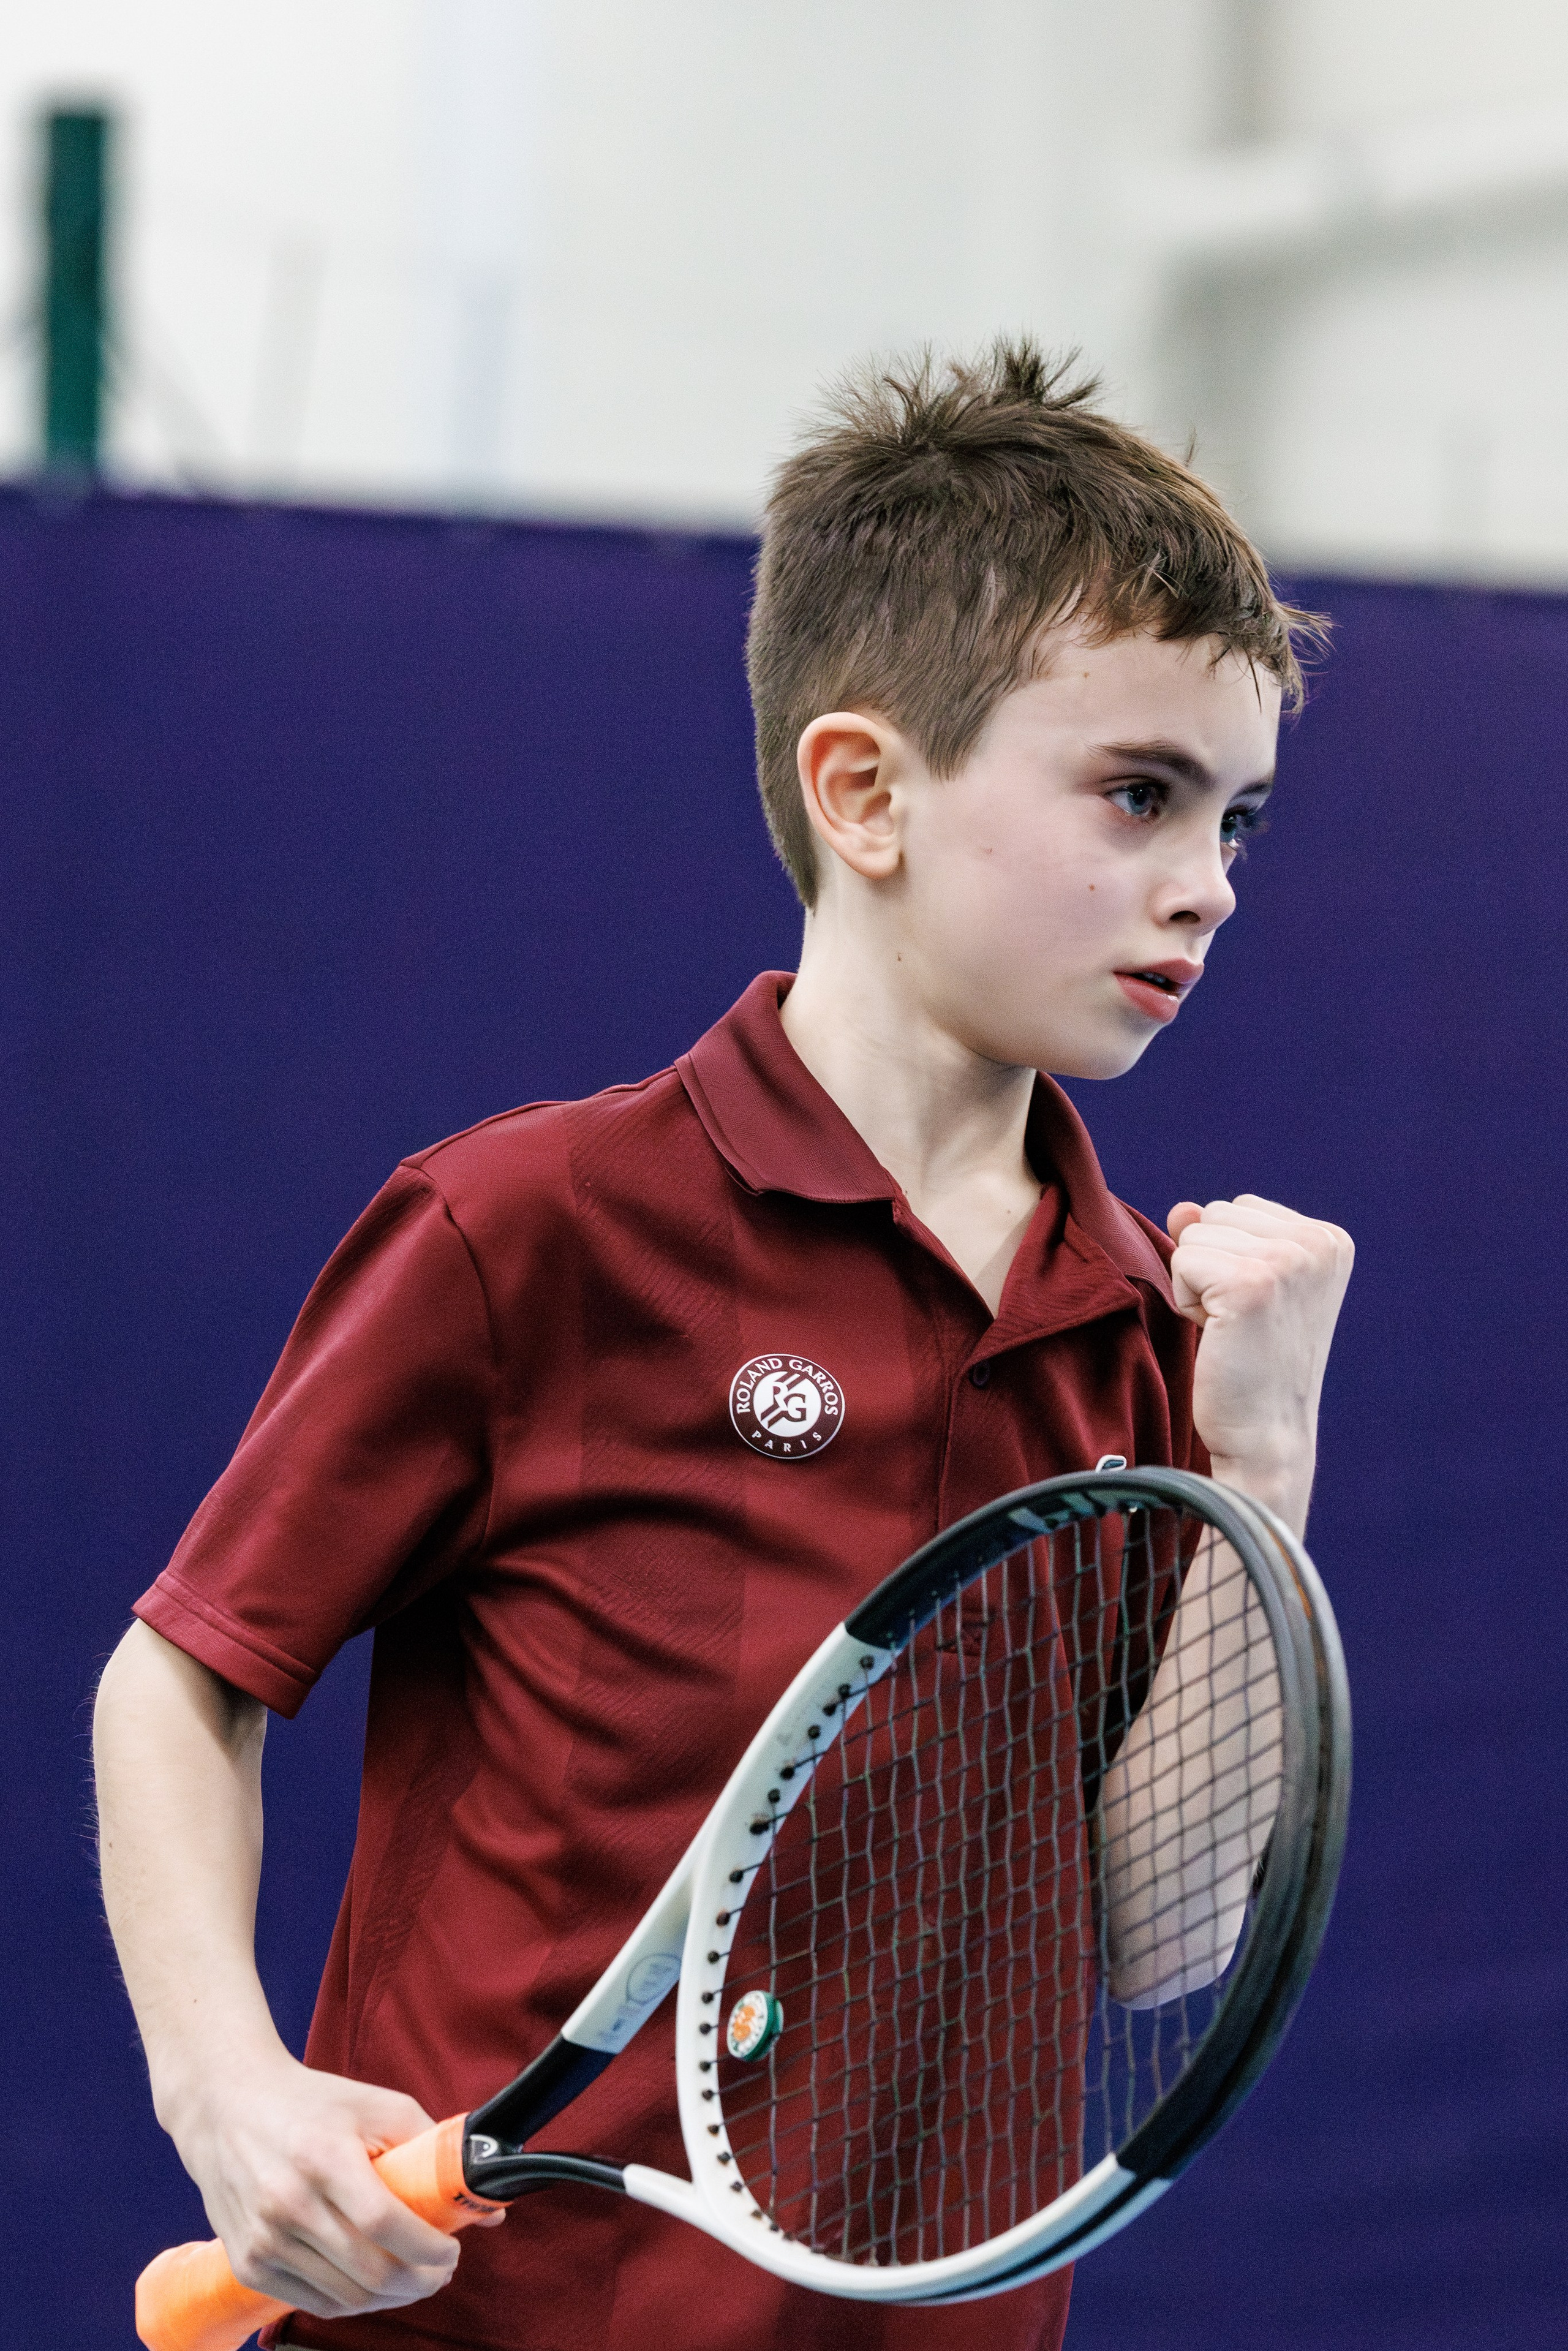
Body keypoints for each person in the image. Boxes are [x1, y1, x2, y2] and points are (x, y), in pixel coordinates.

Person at [94, 341, 1352, 2351]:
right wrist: (226, 2087)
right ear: (865, 791)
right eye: (1137, 794)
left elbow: (1156, 1937)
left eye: (1239, 821)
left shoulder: (1148, 1325)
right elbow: (182, 1680)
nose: (1204, 885)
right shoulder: (536, 1227)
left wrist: (1253, 1472)